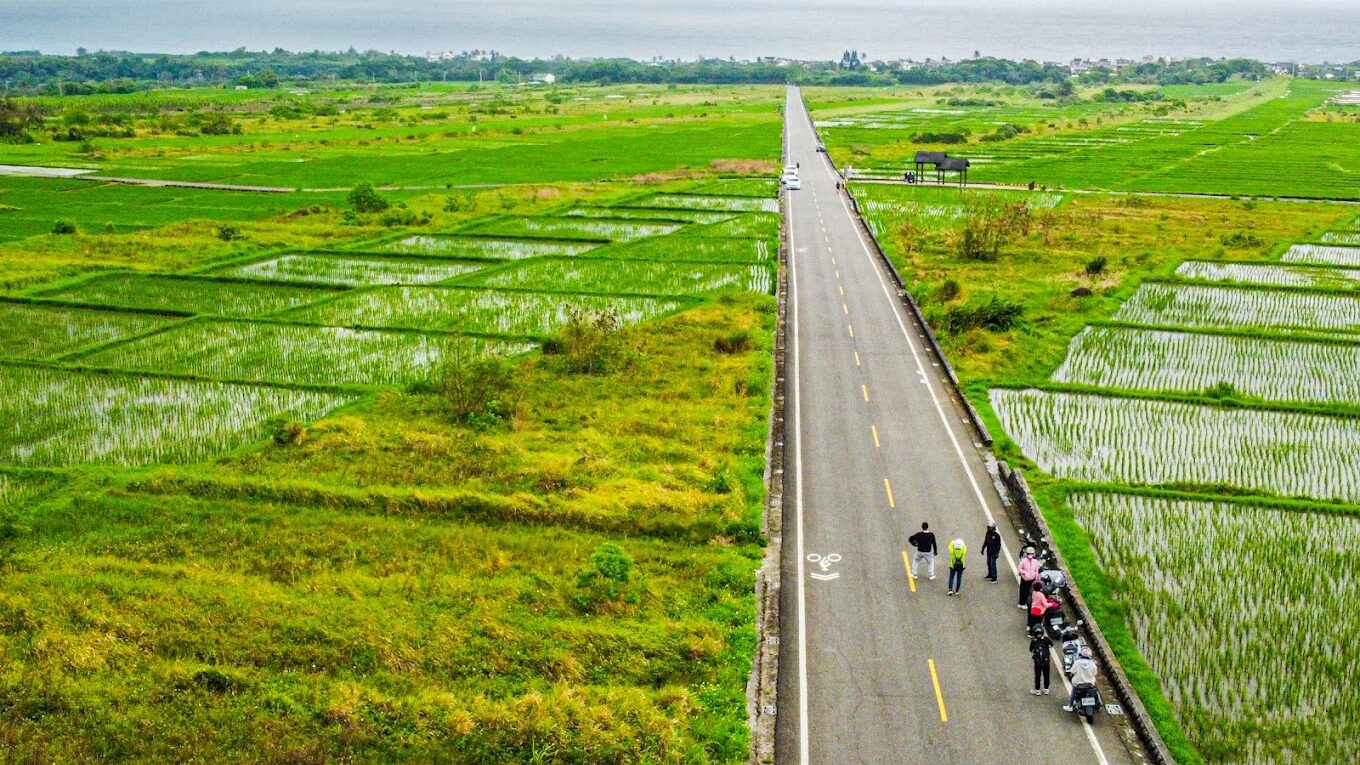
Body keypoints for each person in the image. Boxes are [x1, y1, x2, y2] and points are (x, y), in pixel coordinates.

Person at [1064, 647, 1099, 711]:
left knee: (1073, 692)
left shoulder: (1077, 663)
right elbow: (1094, 673)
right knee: (1095, 691)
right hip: (1090, 684)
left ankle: (1070, 706)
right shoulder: (1092, 664)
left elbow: (1072, 671)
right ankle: (1098, 703)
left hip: (1078, 684)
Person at [1028, 624, 1053, 695]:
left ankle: (1037, 690)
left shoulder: (1034, 641)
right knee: (1046, 675)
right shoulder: (1046, 639)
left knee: (1038, 675)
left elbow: (1031, 649)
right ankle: (1046, 689)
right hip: (1046, 661)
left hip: (1038, 662)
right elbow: (1051, 645)